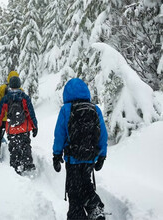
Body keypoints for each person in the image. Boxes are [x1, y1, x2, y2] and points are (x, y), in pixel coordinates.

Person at [52, 78, 108, 220]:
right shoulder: (95, 109)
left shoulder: (66, 109)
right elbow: (103, 134)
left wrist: (56, 155)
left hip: (72, 159)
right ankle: (95, 209)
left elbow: (59, 134)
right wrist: (102, 156)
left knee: (74, 191)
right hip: (90, 158)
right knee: (86, 183)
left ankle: (77, 215)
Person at [0, 76, 38, 174]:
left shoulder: (6, 98)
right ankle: (27, 164)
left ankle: (15, 166)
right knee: (25, 145)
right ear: (19, 85)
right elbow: (31, 113)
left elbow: (0, 113)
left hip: (11, 128)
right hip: (24, 128)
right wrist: (35, 126)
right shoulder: (24, 97)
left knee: (13, 147)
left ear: (10, 85)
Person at [0, 71, 20, 158]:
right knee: (14, 138)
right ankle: (14, 156)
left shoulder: (2, 88)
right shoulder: (20, 90)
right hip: (13, 120)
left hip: (1, 118)